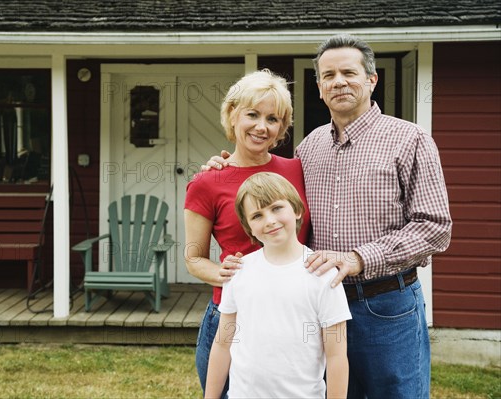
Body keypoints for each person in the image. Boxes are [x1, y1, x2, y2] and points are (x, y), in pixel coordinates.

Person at [205, 34, 452, 399]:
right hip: (313, 306)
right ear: (319, 88)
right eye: (328, 75)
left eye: (349, 73)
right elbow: (268, 188)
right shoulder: (310, 147)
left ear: (371, 79)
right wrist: (223, 167)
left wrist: (358, 259)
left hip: (384, 304)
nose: (338, 82)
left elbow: (435, 228)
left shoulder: (409, 139)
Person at [184, 69, 311, 398]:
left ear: (282, 128)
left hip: (293, 315)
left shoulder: (296, 170)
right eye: (252, 114)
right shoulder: (207, 182)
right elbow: (194, 258)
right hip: (232, 316)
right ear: (232, 115)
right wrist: (220, 272)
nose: (261, 126)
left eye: (273, 119)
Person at [205, 172, 350, 399]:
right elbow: (223, 345)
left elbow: (336, 356)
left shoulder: (323, 274)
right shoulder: (238, 271)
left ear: (297, 210)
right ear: (249, 228)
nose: (270, 221)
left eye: (276, 208)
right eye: (257, 216)